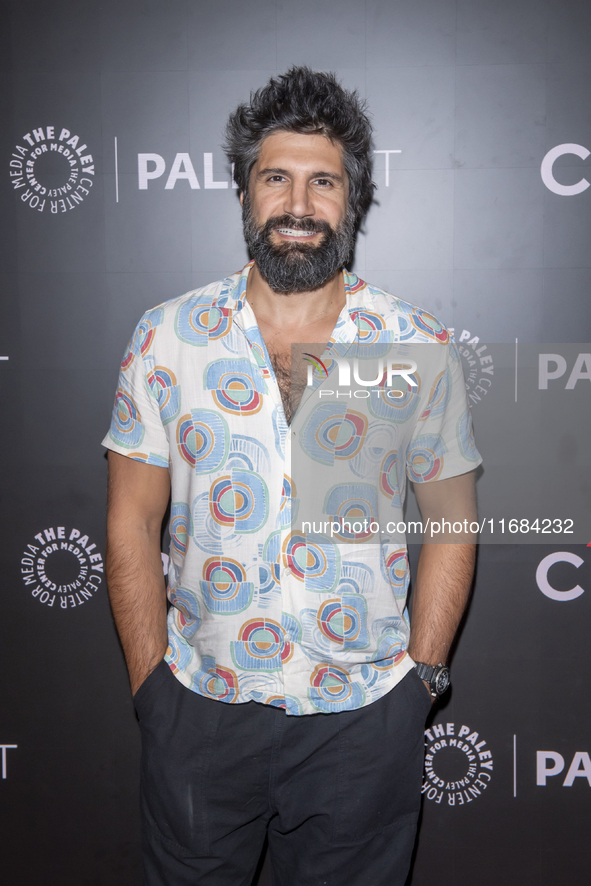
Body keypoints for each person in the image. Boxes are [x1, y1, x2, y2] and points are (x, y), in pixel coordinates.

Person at [104, 67, 481, 886]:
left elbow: (451, 520)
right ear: (245, 191)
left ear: (353, 200)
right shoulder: (168, 337)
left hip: (362, 720)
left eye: (323, 181)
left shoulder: (412, 342)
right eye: (276, 178)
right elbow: (130, 522)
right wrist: (152, 691)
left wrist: (418, 684)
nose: (299, 205)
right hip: (202, 707)